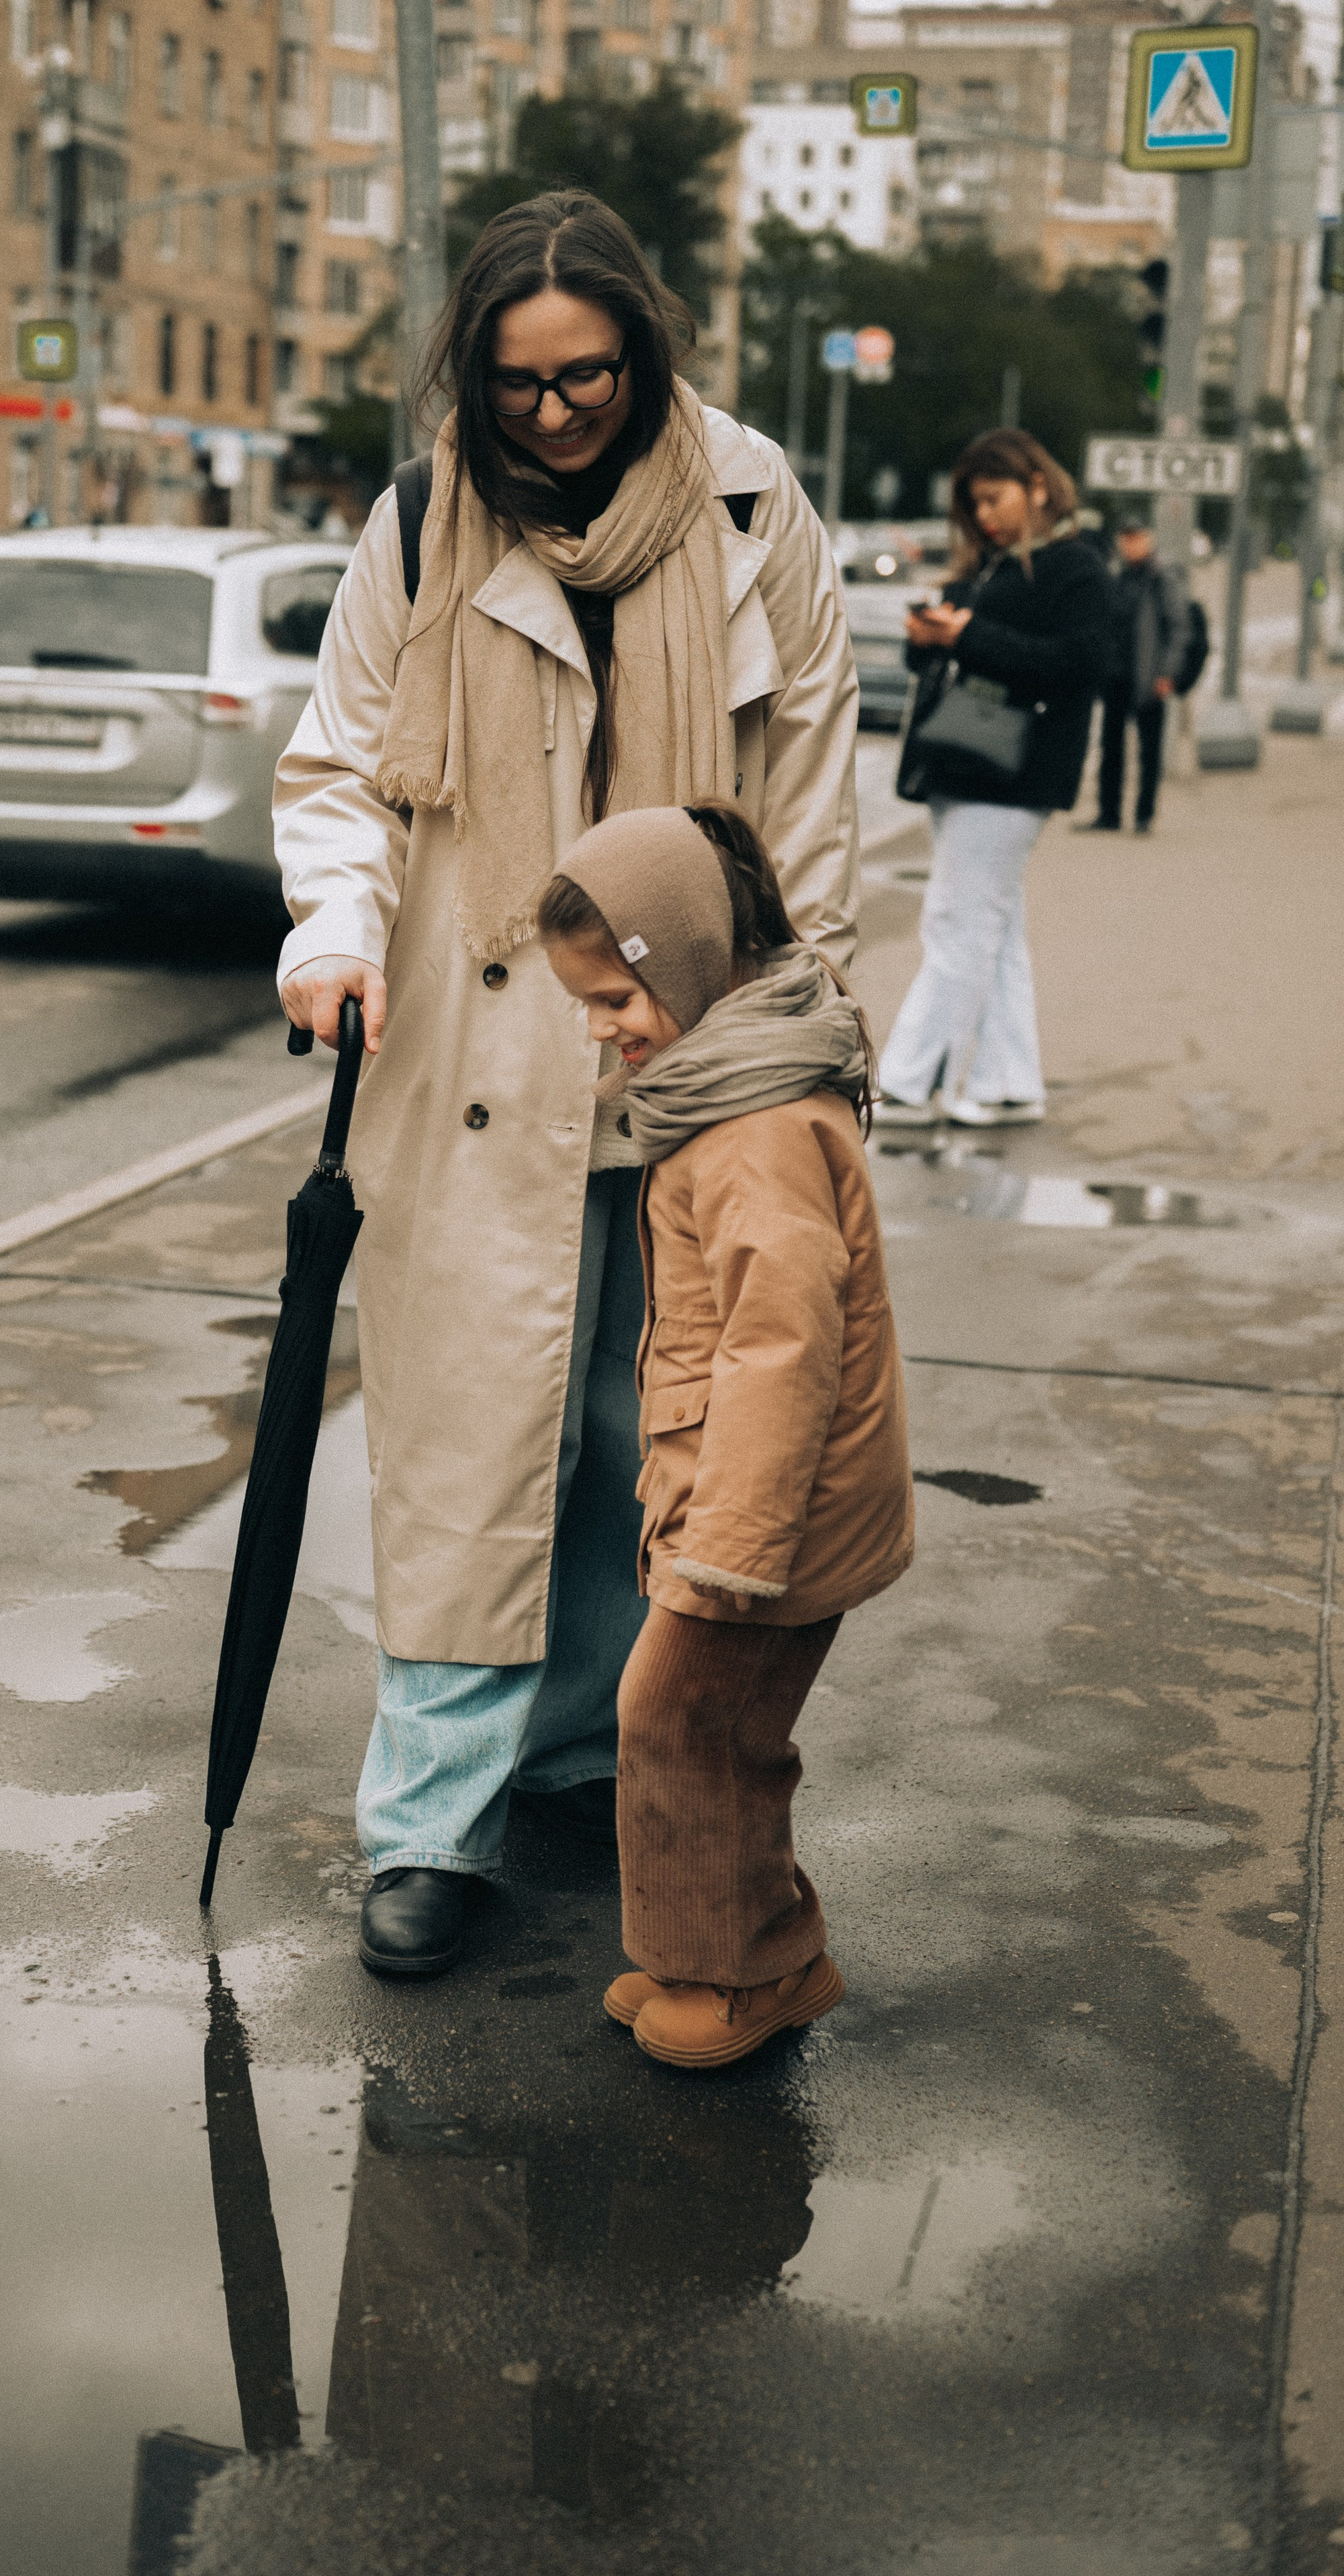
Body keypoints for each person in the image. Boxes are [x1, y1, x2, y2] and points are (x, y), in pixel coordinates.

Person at [273, 190, 860, 1979]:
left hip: (692, 1047)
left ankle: (592, 1759)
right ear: (475, 370)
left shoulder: (755, 506)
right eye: (516, 387)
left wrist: (806, 1038)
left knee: (647, 1439)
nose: (552, 417)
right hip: (471, 1050)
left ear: (644, 343)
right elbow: (342, 771)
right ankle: (429, 1827)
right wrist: (330, 936)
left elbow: (814, 793)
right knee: (471, 1443)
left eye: (586, 376)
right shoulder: (420, 516)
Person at [538, 802, 914, 2069]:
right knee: (724, 1734)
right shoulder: (728, 1089)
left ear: (680, 958)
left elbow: (781, 1352)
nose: (603, 1032)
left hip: (768, 1522)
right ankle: (765, 1954)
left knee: (675, 1723)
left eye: (613, 1000)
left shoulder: (755, 1131)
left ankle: (736, 1978)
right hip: (744, 1502)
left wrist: (729, 1547)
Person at [876, 429, 1112, 1131]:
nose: (983, 515)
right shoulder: (993, 567)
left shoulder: (1075, 568)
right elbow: (953, 661)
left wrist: (967, 634)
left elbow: (1082, 663)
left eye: (993, 497)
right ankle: (1009, 1084)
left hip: (1016, 771)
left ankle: (911, 1083)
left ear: (1037, 487)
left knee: (956, 923)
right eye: (973, 504)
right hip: (964, 763)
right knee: (993, 929)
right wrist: (926, 641)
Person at [1081, 517, 1186, 836]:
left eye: (1137, 538)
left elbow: (1179, 629)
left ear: (1149, 539)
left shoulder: (1162, 577)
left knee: (1148, 751)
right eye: (1126, 538)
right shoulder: (1118, 575)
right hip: (1115, 676)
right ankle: (1109, 813)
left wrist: (1167, 673)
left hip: (1148, 677)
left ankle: (1144, 816)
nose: (1131, 544)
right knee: (1110, 747)